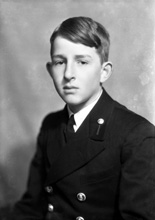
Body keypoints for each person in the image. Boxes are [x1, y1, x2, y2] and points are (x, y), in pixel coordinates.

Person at [12, 16, 155, 220]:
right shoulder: (51, 125)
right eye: (60, 62)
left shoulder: (137, 135)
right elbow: (31, 207)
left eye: (82, 62)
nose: (69, 73)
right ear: (50, 70)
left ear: (104, 72)